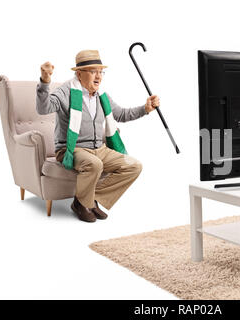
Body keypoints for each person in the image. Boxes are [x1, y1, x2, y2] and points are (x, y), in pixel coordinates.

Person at [36, 49, 160, 223]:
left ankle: (85, 200)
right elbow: (44, 108)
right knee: (94, 164)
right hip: (71, 149)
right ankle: (84, 204)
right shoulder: (66, 91)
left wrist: (145, 109)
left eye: (101, 72)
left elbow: (122, 114)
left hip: (98, 149)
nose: (99, 76)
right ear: (79, 74)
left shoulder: (102, 96)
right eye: (93, 71)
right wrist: (45, 82)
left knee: (133, 165)